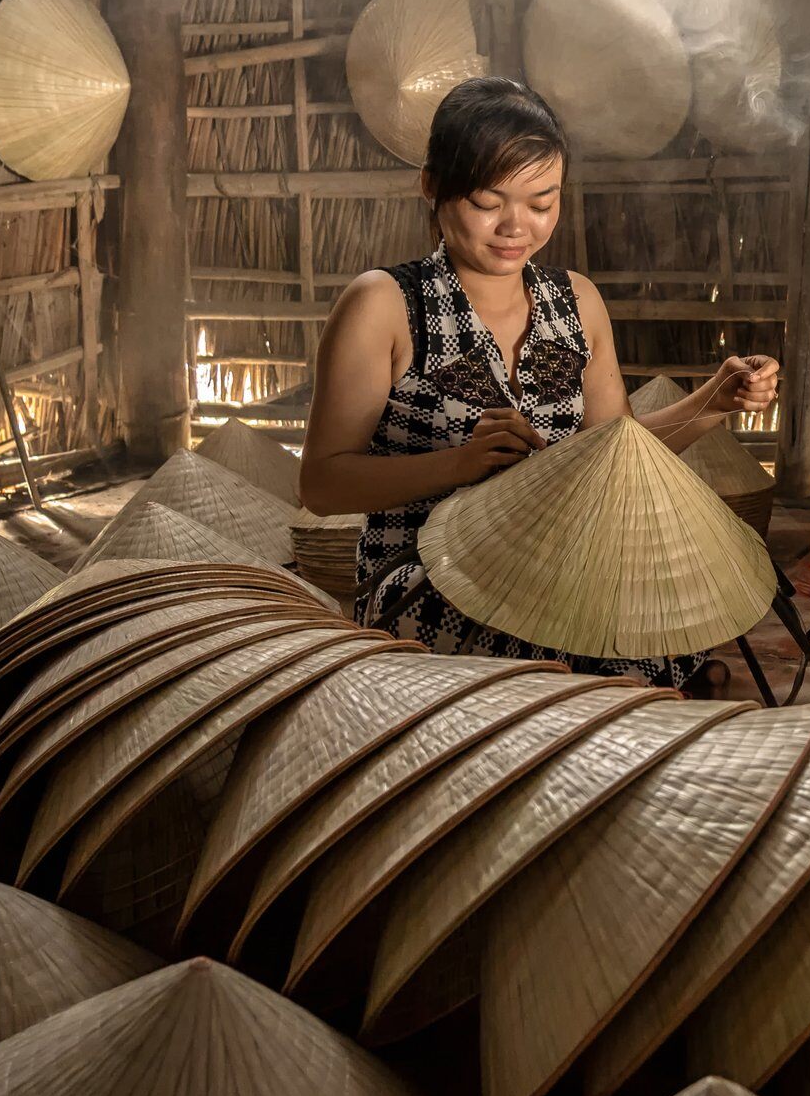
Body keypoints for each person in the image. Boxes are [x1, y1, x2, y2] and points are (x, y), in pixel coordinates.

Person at [299, 77, 780, 687]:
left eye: (542, 202)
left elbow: (614, 451)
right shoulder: (387, 304)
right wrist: (460, 463)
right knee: (578, 671)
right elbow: (321, 483)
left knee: (649, 632)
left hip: (555, 561)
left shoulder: (576, 302)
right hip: (424, 570)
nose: (515, 226)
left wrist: (717, 400)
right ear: (431, 186)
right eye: (486, 201)